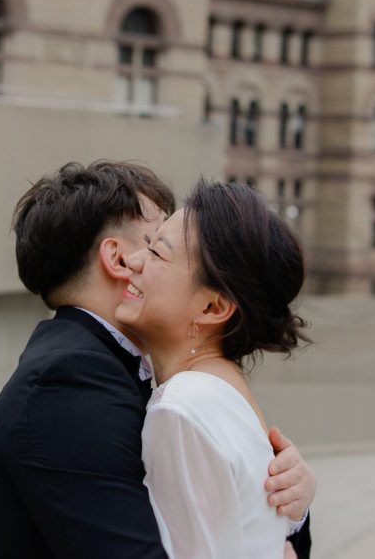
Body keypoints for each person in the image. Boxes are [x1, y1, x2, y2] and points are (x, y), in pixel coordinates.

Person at [0, 161, 314, 558]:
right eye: (155, 242)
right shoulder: (69, 382)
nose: (145, 261)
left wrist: (285, 504)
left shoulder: (119, 374)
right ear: (120, 260)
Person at [118, 179, 311, 558]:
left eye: (157, 253)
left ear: (212, 308)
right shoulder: (223, 395)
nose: (134, 260)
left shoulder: (182, 408)